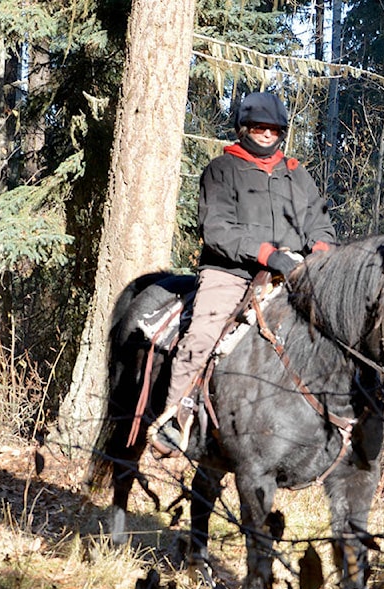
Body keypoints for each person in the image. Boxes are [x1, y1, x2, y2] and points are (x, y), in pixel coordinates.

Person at [149, 91, 337, 458]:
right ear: (244, 129)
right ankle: (175, 419)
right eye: (258, 127)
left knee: (335, 332)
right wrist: (267, 254)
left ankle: (333, 427)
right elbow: (217, 228)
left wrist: (321, 251)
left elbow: (320, 223)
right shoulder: (221, 170)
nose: (266, 134)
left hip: (292, 273)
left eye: (273, 128)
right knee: (202, 335)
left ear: (282, 131)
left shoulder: (298, 175)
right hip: (231, 272)